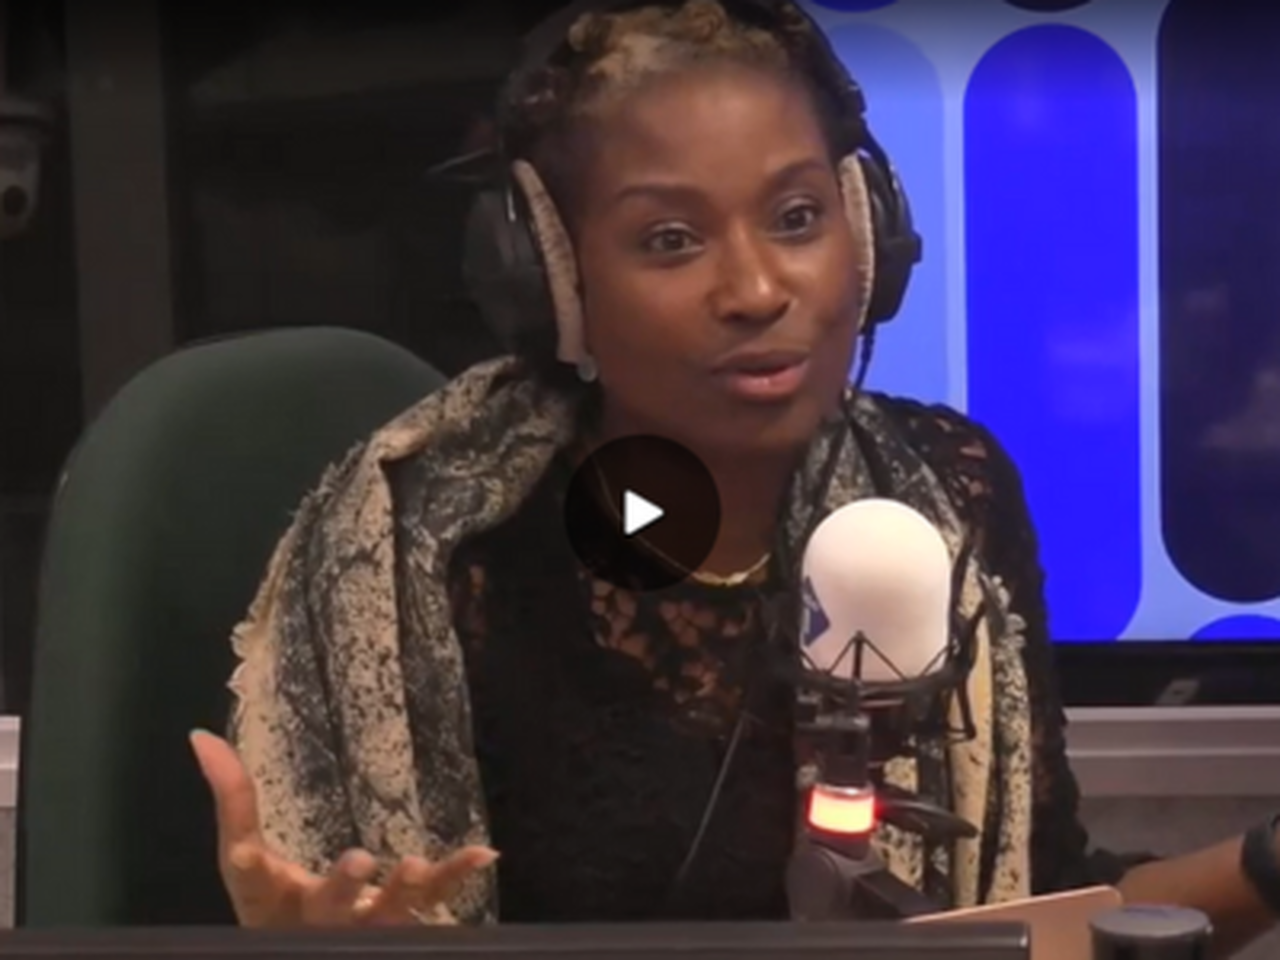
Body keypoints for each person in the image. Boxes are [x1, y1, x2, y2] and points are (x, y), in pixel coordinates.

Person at [190, 0, 1280, 953]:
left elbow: (1037, 912)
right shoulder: (443, 556)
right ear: (552, 277)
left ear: (868, 234)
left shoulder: (950, 496)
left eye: (797, 218)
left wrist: (1269, 862)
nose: (757, 289)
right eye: (670, 239)